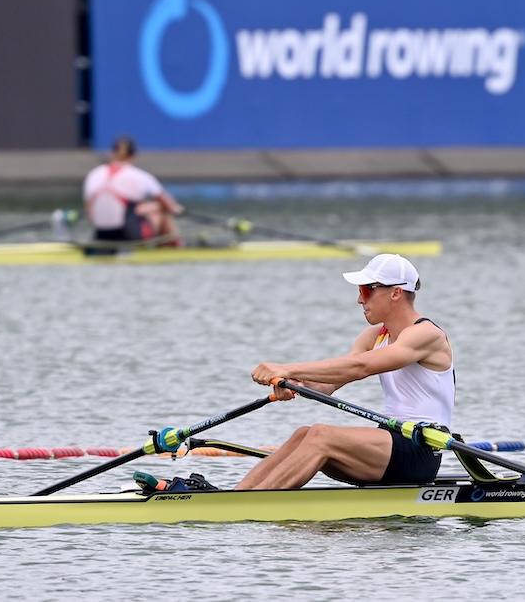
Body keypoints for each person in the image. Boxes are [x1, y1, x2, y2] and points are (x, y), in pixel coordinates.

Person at [238, 253, 455, 490]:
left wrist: (286, 368)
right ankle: (237, 495)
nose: (359, 300)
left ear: (395, 293)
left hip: (421, 448)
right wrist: (296, 384)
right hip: (391, 442)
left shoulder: (426, 335)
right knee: (303, 434)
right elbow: (331, 383)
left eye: (366, 290)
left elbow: (360, 367)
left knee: (320, 435)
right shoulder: (374, 336)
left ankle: (251, 503)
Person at [82, 136, 184, 243]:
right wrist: (175, 209)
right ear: (134, 155)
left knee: (141, 208)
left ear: (111, 153)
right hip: (130, 236)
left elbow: (90, 212)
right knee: (162, 211)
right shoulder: (139, 176)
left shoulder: (93, 175)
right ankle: (177, 247)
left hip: (100, 234)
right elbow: (169, 206)